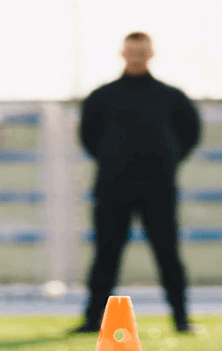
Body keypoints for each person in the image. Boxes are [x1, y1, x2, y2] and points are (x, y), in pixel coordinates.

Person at [74, 32, 201, 334]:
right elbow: (88, 136)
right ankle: (93, 320)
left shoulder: (171, 97)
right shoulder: (102, 96)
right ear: (122, 53)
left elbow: (190, 134)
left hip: (158, 189)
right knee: (106, 254)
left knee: (167, 253)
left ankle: (181, 319)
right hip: (112, 188)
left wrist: (165, 161)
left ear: (150, 54)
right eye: (131, 52)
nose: (136, 57)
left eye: (141, 51)